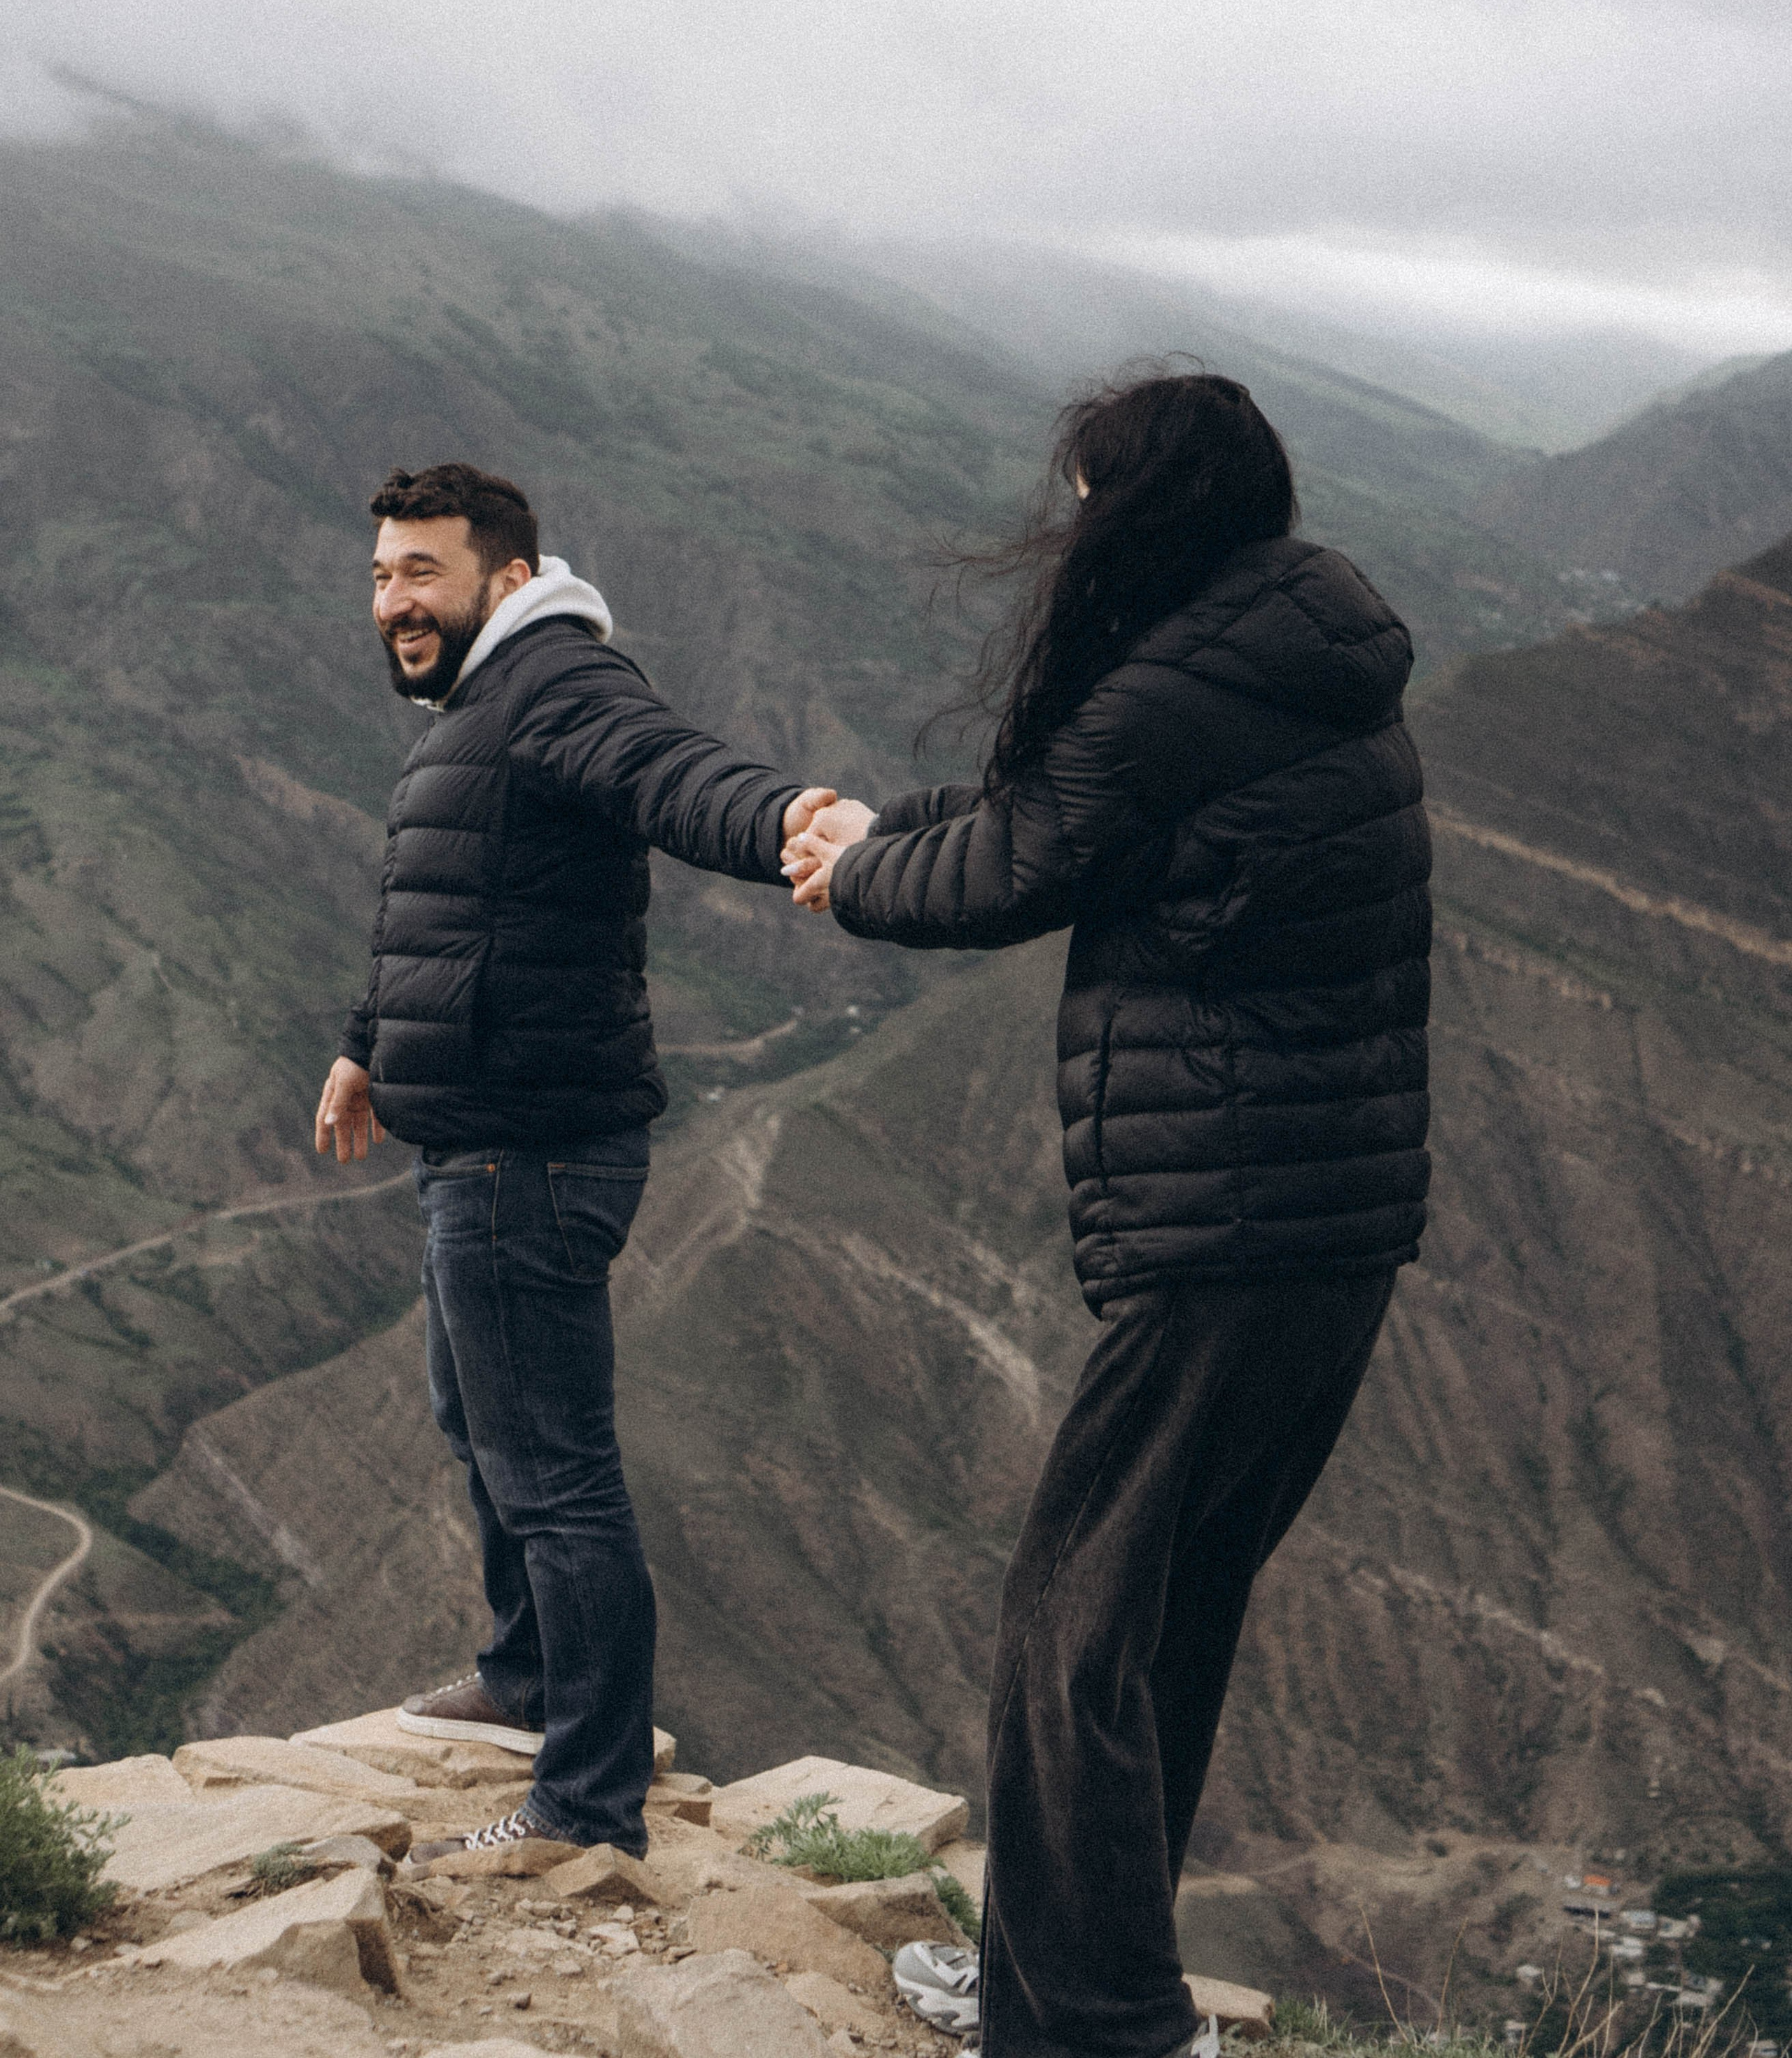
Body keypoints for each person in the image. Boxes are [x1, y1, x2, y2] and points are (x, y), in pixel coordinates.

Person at [784, 372, 1431, 2058]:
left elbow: (1012, 873)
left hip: (1222, 1231)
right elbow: (1060, 819)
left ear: (1140, 512)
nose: (1069, 535)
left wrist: (851, 874)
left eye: (1086, 501)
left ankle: (1098, 2026)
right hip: (1330, 1233)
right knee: (1161, 1618)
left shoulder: (1170, 693)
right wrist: (883, 826)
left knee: (1068, 1627)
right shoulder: (1297, 654)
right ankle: (1062, 1988)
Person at [314, 461, 836, 1863]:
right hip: (480, 1138)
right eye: (380, 574)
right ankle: (527, 1674)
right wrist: (369, 1042)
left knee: (553, 1474)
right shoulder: (483, 701)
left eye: (422, 572)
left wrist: (786, 817)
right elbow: (450, 902)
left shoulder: (553, 680)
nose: (395, 601)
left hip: (529, 1156)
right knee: (476, 1425)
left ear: (503, 574)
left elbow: (672, 775)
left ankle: (586, 1806)